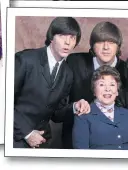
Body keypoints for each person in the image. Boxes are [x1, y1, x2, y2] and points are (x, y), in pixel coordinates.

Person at [14, 17, 90, 148]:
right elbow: (3, 102)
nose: (67, 42)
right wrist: (26, 133)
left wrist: (74, 106)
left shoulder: (68, 73)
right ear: (51, 37)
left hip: (43, 140)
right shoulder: (25, 60)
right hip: (14, 136)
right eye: (62, 36)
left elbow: (57, 114)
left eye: (72, 38)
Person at [62, 21, 128, 149]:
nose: (106, 47)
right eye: (100, 42)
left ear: (118, 46)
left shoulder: (126, 70)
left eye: (111, 42)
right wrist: (76, 107)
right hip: (75, 139)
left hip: (112, 141)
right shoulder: (75, 62)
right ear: (92, 45)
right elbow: (59, 108)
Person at [72, 65, 128, 150]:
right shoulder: (83, 116)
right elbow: (81, 153)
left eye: (112, 85)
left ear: (117, 91)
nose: (107, 89)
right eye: (102, 84)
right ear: (94, 90)